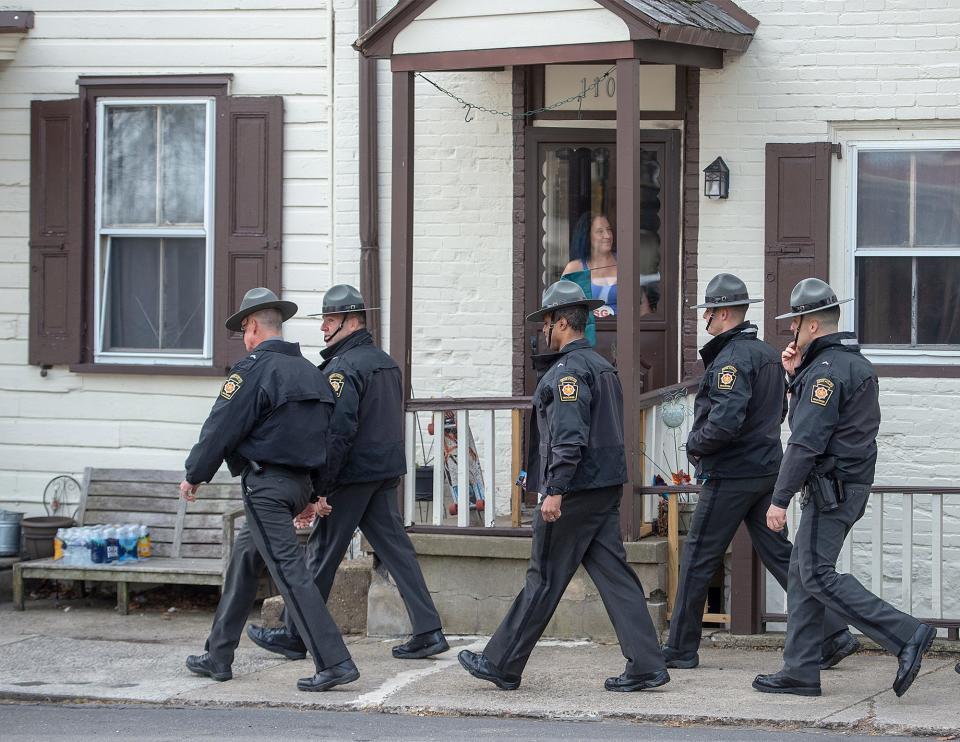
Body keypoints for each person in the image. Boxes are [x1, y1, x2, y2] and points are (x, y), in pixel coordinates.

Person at [458, 281, 668, 692]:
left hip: (575, 490)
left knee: (544, 576)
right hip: (604, 486)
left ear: (559, 323)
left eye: (546, 322)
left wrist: (554, 489)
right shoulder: (601, 366)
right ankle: (646, 664)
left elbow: (569, 437)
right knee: (615, 577)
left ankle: (502, 662)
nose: (542, 331)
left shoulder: (568, 372)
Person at [662, 274, 856, 671]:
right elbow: (780, 411)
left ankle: (680, 649)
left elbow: (726, 420)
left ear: (727, 313)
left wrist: (695, 444)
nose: (706, 320)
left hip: (732, 475)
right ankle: (833, 634)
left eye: (711, 312)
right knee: (781, 557)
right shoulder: (768, 354)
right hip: (767, 471)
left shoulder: (732, 360)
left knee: (699, 557)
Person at [754, 278, 937, 698]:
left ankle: (906, 633)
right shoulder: (848, 365)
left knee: (816, 573)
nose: (791, 331)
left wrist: (779, 499)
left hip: (830, 488)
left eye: (795, 323)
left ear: (811, 325)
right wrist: (793, 376)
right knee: (802, 574)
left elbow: (805, 441)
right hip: (845, 486)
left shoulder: (826, 373)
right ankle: (800, 669)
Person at [246, 285, 448, 661]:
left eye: (331, 319)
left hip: (352, 476)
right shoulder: (385, 361)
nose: (323, 327)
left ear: (352, 321)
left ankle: (294, 633)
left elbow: (338, 432)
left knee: (321, 553)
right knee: (398, 553)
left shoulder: (343, 368)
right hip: (385, 472)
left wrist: (320, 486)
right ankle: (429, 629)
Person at [181, 287, 358, 693]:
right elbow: (329, 440)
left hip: (267, 488)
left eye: (244, 329)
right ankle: (218, 655)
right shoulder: (313, 372)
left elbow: (221, 425)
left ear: (254, 326)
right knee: (245, 562)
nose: (244, 337)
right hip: (297, 487)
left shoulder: (253, 369)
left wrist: (195, 473)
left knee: (290, 573)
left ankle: (334, 661)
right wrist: (314, 492)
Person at [562, 214, 618, 317]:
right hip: (586, 331)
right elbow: (561, 308)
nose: (607, 235)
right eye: (600, 231)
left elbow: (642, 305)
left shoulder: (626, 263)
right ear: (587, 236)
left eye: (609, 230)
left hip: (624, 330)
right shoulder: (574, 269)